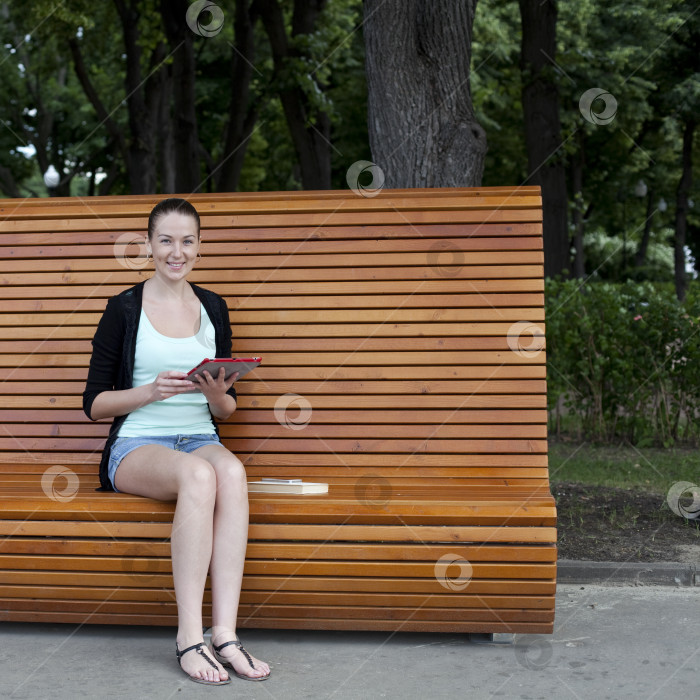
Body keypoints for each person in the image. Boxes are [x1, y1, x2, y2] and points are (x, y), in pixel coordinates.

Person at [82, 198, 270, 686]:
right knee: (198, 473)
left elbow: (228, 409)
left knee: (230, 471)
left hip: (200, 435)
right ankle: (190, 637)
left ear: (199, 247)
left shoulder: (212, 307)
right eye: (165, 240)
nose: (176, 251)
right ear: (148, 246)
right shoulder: (123, 309)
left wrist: (217, 395)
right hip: (137, 445)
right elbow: (95, 404)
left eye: (187, 241)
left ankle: (225, 635)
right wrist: (149, 391)